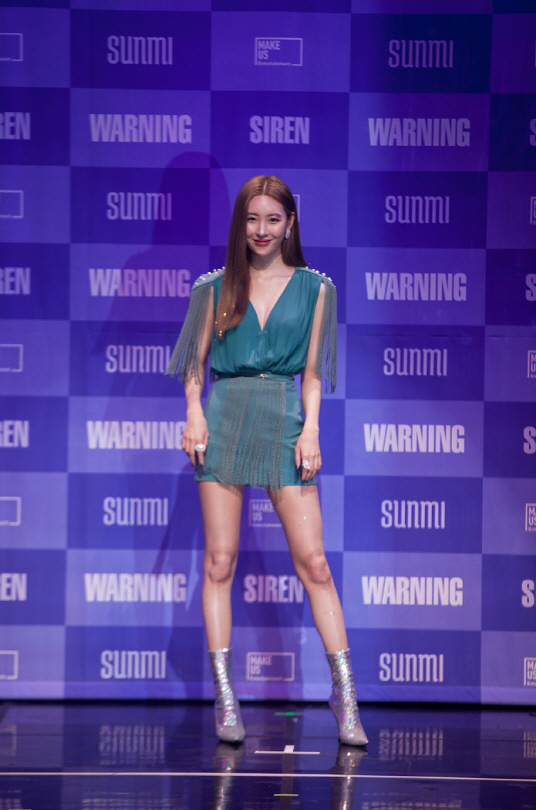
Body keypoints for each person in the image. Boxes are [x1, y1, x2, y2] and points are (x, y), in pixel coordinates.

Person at [167, 176, 367, 746]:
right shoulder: (212, 288)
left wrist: (312, 431)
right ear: (241, 222)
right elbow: (193, 365)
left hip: (284, 421)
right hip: (224, 420)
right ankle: (225, 696)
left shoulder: (317, 290)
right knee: (219, 562)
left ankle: (344, 694)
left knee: (316, 565)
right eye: (252, 219)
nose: (261, 230)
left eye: (273, 219)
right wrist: (193, 412)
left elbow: (313, 376)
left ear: (290, 224)